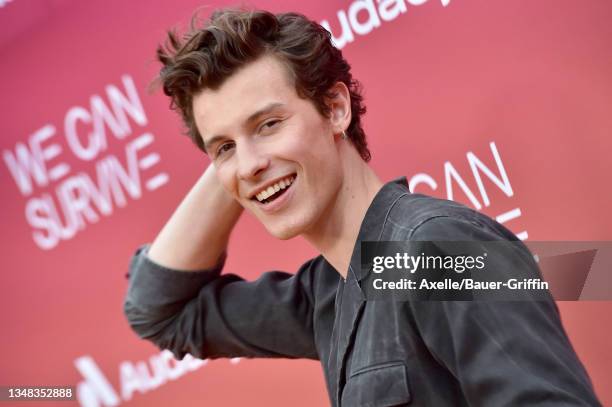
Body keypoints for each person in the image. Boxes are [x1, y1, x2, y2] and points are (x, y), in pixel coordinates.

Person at [124, 8, 601, 406]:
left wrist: (243, 142)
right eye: (222, 147)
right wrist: (243, 143)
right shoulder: (327, 291)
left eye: (270, 122)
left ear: (335, 109)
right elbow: (161, 313)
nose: (248, 166)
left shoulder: (434, 249)